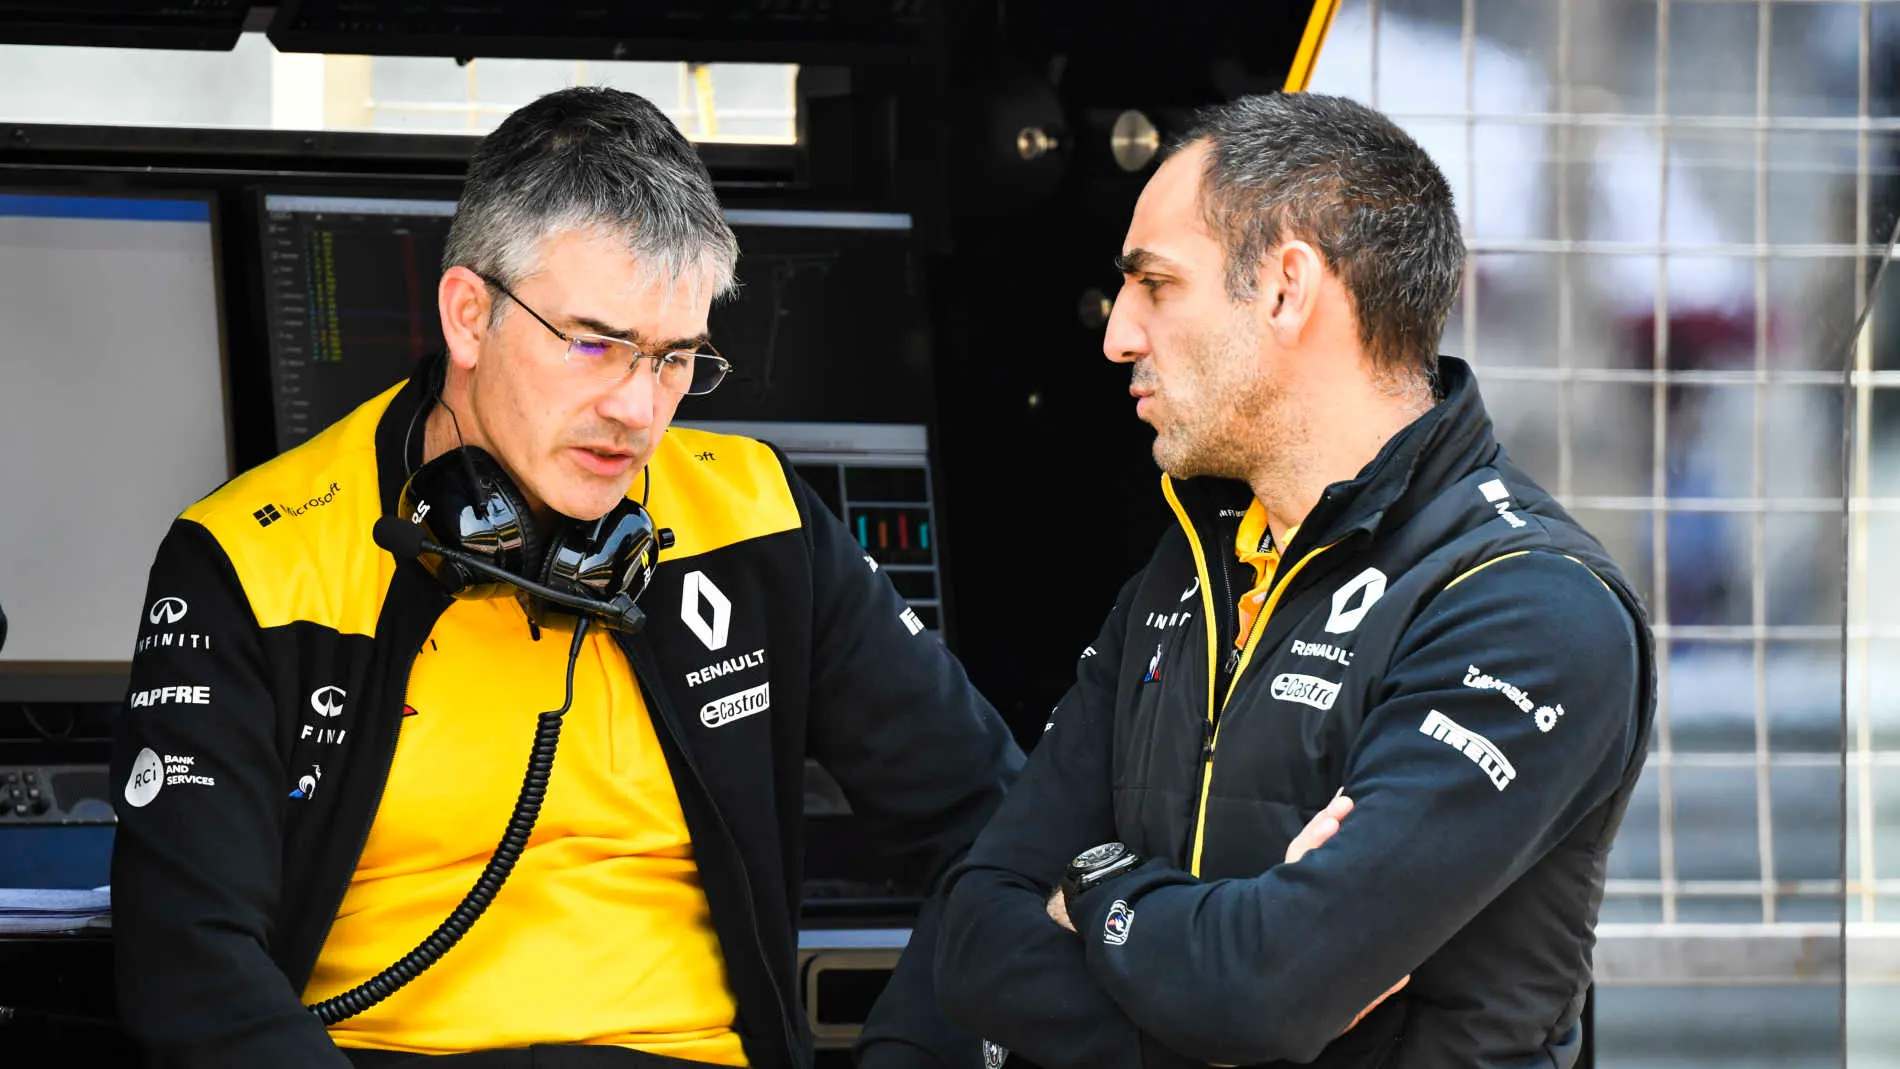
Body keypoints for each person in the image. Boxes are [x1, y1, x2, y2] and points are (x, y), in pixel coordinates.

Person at [110, 86, 1022, 1069]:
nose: (637, 409)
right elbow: (187, 960)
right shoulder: (253, 558)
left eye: (676, 359)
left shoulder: (759, 520)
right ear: (469, 314)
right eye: (595, 344)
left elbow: (1001, 832)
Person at [934, 92, 1655, 1069]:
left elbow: (1263, 988)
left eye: (1155, 285)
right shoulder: (1186, 570)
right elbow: (975, 938)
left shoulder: (1524, 603)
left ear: (1285, 289)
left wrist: (1099, 886)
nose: (1118, 336)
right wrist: (1212, 997)